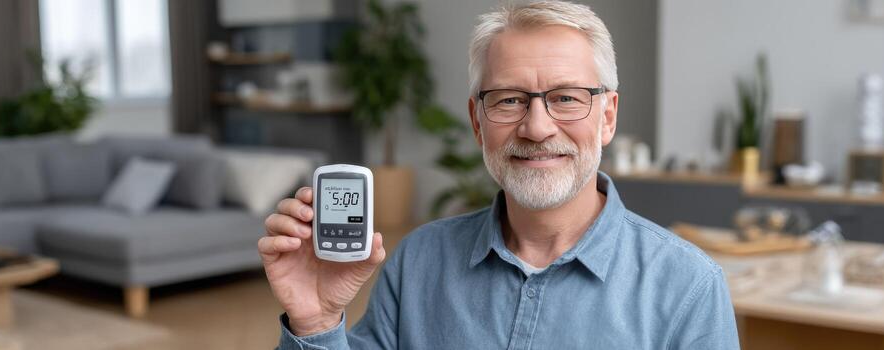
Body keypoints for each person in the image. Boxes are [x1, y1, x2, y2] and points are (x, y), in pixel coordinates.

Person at [258, 1, 740, 349]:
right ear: (476, 121)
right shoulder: (419, 262)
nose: (536, 127)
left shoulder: (688, 285)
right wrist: (317, 321)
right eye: (509, 99)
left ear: (608, 116)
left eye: (567, 97)